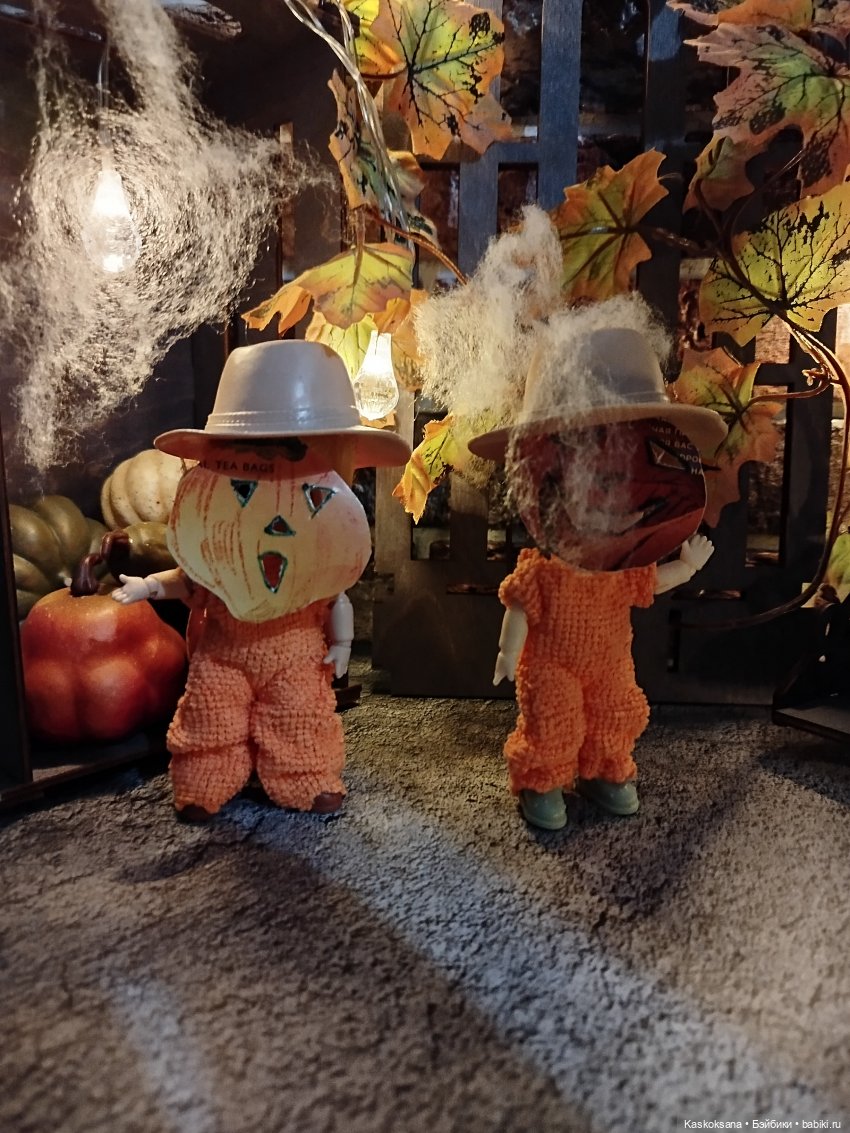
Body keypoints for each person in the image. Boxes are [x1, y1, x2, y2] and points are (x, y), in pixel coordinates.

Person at [467, 327, 727, 831]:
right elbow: (518, 610)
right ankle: (542, 778)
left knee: (614, 709)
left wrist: (689, 566)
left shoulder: (623, 565)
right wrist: (507, 653)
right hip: (552, 667)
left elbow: (651, 582)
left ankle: (604, 769)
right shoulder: (543, 572)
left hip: (610, 662)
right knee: (554, 717)